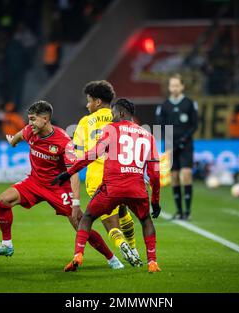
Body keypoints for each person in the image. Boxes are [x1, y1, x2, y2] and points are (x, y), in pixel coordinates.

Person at [0, 100, 123, 270]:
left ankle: (111, 258)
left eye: (33, 119)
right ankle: (7, 244)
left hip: (58, 187)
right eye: (29, 119)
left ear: (45, 119)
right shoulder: (29, 131)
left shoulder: (63, 142)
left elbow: (73, 174)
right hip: (34, 182)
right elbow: (19, 136)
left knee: (79, 225)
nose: (30, 123)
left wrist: (76, 203)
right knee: (3, 200)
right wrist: (12, 141)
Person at [53, 98, 162, 273]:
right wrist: (155, 200)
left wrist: (69, 172)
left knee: (87, 217)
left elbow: (92, 154)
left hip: (112, 188)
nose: (111, 117)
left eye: (112, 114)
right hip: (137, 189)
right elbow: (155, 173)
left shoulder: (111, 129)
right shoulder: (147, 135)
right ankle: (152, 263)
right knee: (146, 220)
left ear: (121, 113)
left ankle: (78, 256)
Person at [73, 80, 140, 266]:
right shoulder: (120, 117)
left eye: (89, 101)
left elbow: (78, 156)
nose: (87, 105)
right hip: (121, 173)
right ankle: (133, 248)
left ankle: (122, 245)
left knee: (109, 220)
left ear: (98, 102)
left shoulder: (85, 122)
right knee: (124, 211)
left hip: (96, 176)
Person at [155, 73, 198, 220]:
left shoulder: (189, 103)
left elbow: (195, 124)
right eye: (172, 85)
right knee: (174, 176)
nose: (174, 88)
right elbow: (161, 125)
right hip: (170, 145)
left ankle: (188, 211)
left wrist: (184, 139)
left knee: (186, 174)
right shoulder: (164, 105)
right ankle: (179, 211)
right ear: (169, 87)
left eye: (177, 85)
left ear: (182, 86)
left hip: (186, 145)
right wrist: (169, 143)